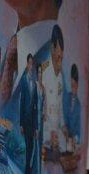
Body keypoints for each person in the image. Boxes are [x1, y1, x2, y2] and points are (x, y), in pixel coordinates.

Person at [37, 24, 65, 159]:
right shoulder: (43, 71)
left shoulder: (60, 78)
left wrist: (60, 131)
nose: (60, 63)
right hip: (41, 135)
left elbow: (59, 108)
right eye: (58, 57)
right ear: (52, 49)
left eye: (62, 58)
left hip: (53, 138)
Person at [18, 54, 40, 174]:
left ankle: (28, 168)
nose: (31, 66)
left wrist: (37, 127)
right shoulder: (23, 81)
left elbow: (36, 107)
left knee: (31, 147)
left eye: (32, 64)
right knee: (27, 145)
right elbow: (21, 102)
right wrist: (20, 123)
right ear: (27, 64)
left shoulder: (34, 82)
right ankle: (27, 171)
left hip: (32, 121)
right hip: (25, 121)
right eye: (30, 64)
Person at [63, 62, 82, 151]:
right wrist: (64, 128)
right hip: (63, 134)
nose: (73, 88)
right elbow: (62, 114)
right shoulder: (66, 97)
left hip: (71, 140)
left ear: (77, 85)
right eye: (72, 85)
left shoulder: (78, 106)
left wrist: (76, 138)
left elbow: (78, 127)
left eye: (74, 86)